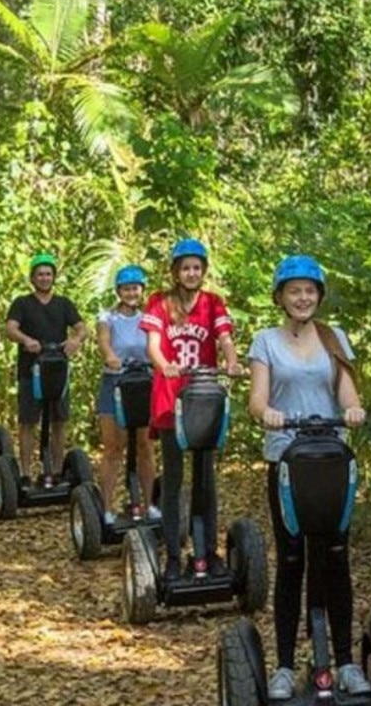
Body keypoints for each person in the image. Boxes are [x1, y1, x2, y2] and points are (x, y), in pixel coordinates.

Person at [246, 254, 370, 699]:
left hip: (332, 458)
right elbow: (256, 399)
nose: (303, 297)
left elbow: (345, 389)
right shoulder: (265, 341)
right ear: (280, 296)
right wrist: (270, 414)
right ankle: (282, 666)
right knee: (293, 559)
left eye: (310, 290)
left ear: (319, 296)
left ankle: (346, 662)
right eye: (294, 290)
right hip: (287, 460)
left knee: (335, 558)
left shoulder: (333, 339)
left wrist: (353, 409)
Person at [140, 237, 242, 582]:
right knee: (173, 479)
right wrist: (165, 364)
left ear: (203, 271)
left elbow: (225, 337)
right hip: (171, 399)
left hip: (204, 397)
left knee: (205, 480)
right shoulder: (159, 302)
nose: (191, 273)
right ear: (175, 271)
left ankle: (208, 553)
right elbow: (153, 344)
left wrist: (231, 361)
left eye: (197, 267)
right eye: (185, 268)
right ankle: (172, 556)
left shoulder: (213, 303)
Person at [5, 252, 87, 481]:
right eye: (40, 274)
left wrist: (74, 340)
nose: (44, 278)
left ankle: (58, 470)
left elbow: (82, 328)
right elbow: (10, 328)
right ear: (32, 278)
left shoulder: (63, 304)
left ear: (54, 277)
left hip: (57, 373)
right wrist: (25, 340)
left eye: (48, 274)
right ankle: (25, 473)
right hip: (30, 371)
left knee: (60, 421)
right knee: (28, 421)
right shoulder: (22, 303)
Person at [96, 265, 159, 526]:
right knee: (113, 447)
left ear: (142, 290)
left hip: (144, 384)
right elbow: (103, 341)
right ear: (119, 291)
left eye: (135, 288)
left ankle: (149, 505)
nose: (131, 293)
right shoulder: (107, 317)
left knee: (145, 446)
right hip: (115, 383)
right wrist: (110, 356)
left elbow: (157, 346)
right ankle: (107, 508)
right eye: (126, 288)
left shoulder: (149, 318)